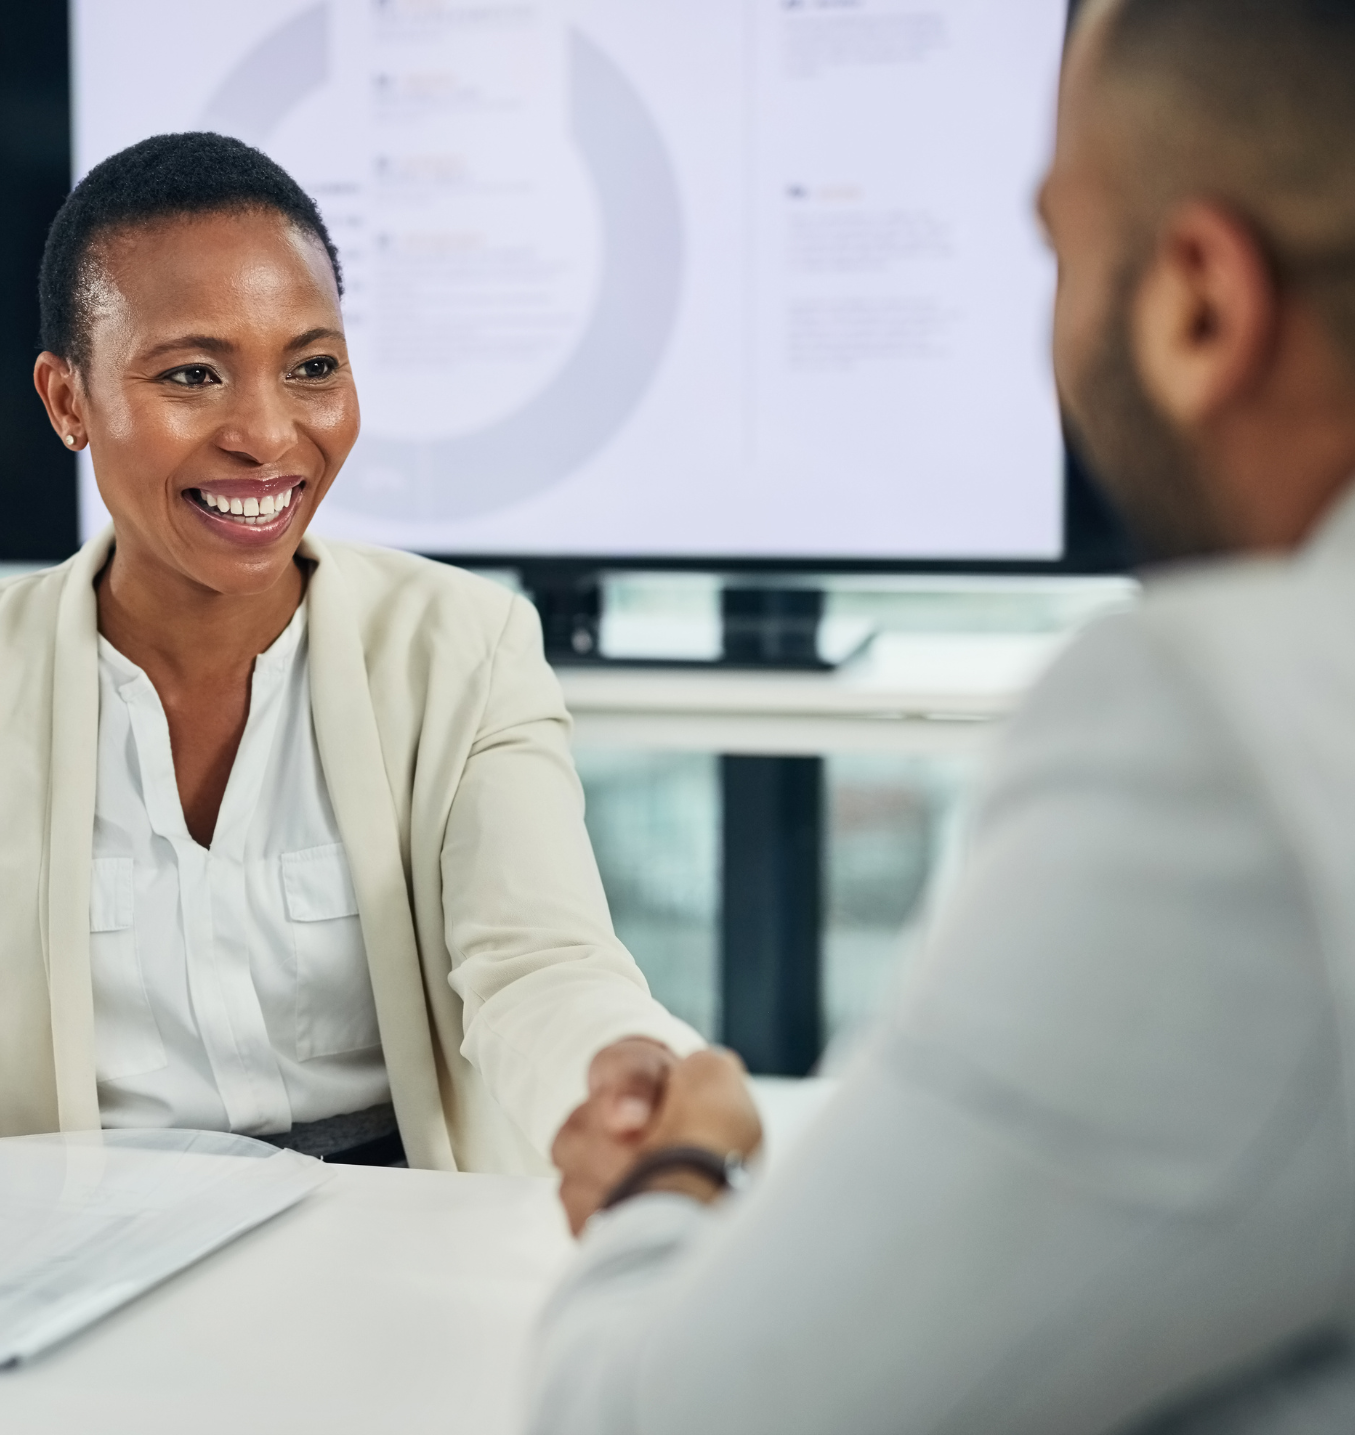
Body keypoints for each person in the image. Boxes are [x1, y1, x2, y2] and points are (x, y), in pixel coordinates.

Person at [535, 0, 1355, 1428]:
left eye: (1061, 246)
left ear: (1201, 302)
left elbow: (659, 1414)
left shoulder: (1232, 734)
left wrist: (681, 1175)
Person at [0, 132, 702, 1173]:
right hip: (65, 1249)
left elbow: (539, 964)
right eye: (193, 374)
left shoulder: (465, 646)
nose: (267, 433)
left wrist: (629, 1072)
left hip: (392, 1235)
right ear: (68, 401)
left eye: (312, 367)